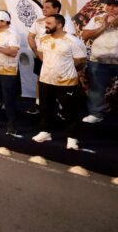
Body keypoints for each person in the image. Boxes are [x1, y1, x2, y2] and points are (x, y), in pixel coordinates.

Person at [32, 14, 87, 150]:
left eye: (49, 23)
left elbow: (80, 62)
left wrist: (65, 70)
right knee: (45, 108)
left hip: (66, 82)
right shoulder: (43, 39)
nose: (46, 25)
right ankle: (45, 132)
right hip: (45, 80)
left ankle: (72, 138)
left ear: (59, 25)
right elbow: (41, 55)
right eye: (46, 23)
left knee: (70, 112)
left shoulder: (73, 41)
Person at [27, 0, 75, 114]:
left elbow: (70, 38)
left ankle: (61, 107)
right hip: (40, 55)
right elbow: (30, 36)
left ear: (56, 9)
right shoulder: (38, 21)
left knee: (58, 82)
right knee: (41, 79)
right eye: (43, 7)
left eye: (47, 7)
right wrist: (36, 52)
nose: (44, 9)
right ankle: (39, 104)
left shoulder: (64, 21)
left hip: (58, 58)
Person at [80, 0, 118, 124]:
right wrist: (103, 27)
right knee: (96, 88)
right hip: (98, 60)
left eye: (115, 6)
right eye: (109, 5)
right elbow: (84, 35)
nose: (112, 8)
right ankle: (95, 114)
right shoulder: (97, 18)